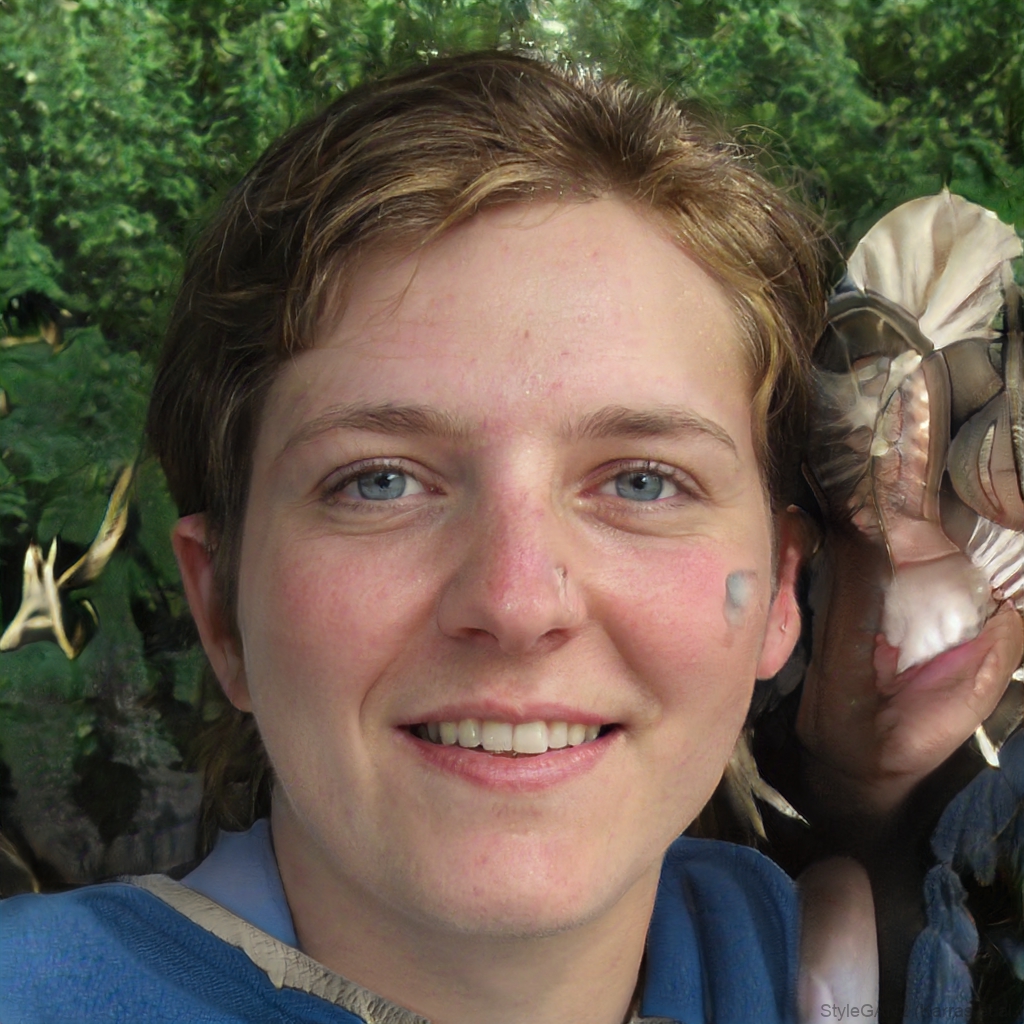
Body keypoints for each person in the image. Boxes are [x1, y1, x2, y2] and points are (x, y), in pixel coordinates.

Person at [0, 52, 1016, 1024]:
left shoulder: (893, 956)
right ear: (221, 608)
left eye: (642, 481)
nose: (518, 601)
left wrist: (879, 809)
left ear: (780, 594)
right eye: (380, 481)